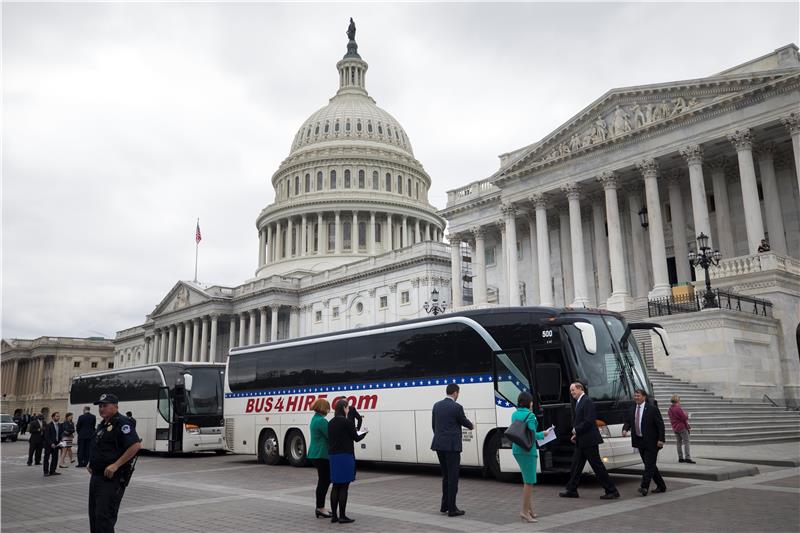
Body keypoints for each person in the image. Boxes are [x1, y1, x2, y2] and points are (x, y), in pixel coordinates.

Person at [88, 393, 141, 533]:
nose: (101, 409)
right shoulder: (104, 424)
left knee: (104, 517)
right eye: (100, 406)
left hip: (111, 479)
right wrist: (91, 462)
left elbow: (135, 446)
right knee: (94, 516)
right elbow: (100, 446)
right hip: (97, 477)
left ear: (115, 407)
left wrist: (116, 464)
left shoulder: (122, 423)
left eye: (105, 405)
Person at [559, 382, 620, 499]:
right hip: (582, 440)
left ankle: (612, 491)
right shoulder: (579, 402)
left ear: (580, 389)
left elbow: (589, 421)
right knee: (576, 465)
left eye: (573, 390)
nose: (571, 393)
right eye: (571, 391)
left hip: (589, 441)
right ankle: (572, 490)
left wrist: (576, 430)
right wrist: (576, 434)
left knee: (597, 466)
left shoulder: (587, 401)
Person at [431, 383, 474, 517]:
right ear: (455, 393)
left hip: (439, 445)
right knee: (453, 477)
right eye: (458, 393)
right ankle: (452, 509)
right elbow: (464, 422)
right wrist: (471, 425)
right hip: (451, 447)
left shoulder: (436, 405)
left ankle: (445, 506)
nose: (458, 395)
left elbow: (434, 426)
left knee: (446, 476)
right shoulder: (457, 407)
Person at [511, 391, 550, 523]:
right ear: (529, 402)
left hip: (516, 449)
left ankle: (529, 510)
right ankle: (524, 512)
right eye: (532, 401)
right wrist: (544, 434)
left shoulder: (515, 413)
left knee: (527, 480)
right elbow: (532, 435)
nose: (533, 403)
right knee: (529, 482)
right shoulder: (531, 416)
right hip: (527, 451)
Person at [327, 399, 367, 524]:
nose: (349, 409)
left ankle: (334, 516)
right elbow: (356, 438)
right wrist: (365, 433)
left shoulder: (330, 423)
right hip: (345, 456)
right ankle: (342, 516)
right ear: (344, 408)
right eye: (348, 407)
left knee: (335, 486)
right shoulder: (347, 422)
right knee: (344, 486)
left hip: (333, 456)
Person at [622, 388, 667, 496]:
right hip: (640, 441)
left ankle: (644, 487)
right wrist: (625, 429)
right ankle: (661, 485)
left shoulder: (652, 409)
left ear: (644, 397)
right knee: (649, 465)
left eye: (638, 396)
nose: (636, 398)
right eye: (635, 396)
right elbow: (628, 421)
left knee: (648, 466)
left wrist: (661, 439)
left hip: (652, 442)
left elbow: (660, 425)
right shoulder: (632, 408)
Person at [308, 398, 332, 519]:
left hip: (315, 454)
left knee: (323, 480)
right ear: (323, 408)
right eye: (328, 408)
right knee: (324, 481)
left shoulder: (315, 419)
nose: (329, 410)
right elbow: (330, 435)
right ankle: (320, 508)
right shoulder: (322, 421)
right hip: (321, 454)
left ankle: (320, 507)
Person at [668, 395, 695, 464]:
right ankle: (687, 458)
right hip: (682, 427)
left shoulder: (670, 409)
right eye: (679, 400)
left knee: (679, 443)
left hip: (675, 427)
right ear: (677, 401)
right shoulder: (678, 408)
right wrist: (687, 415)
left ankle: (680, 458)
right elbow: (684, 418)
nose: (680, 402)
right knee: (686, 442)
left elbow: (673, 418)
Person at [43, 412, 63, 477]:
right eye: (57, 416)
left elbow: (60, 434)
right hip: (49, 445)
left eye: (59, 416)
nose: (58, 417)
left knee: (55, 458)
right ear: (53, 417)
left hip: (56, 444)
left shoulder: (60, 425)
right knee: (47, 458)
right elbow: (46, 436)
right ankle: (46, 471)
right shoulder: (48, 425)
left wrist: (61, 441)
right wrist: (51, 443)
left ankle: (52, 471)